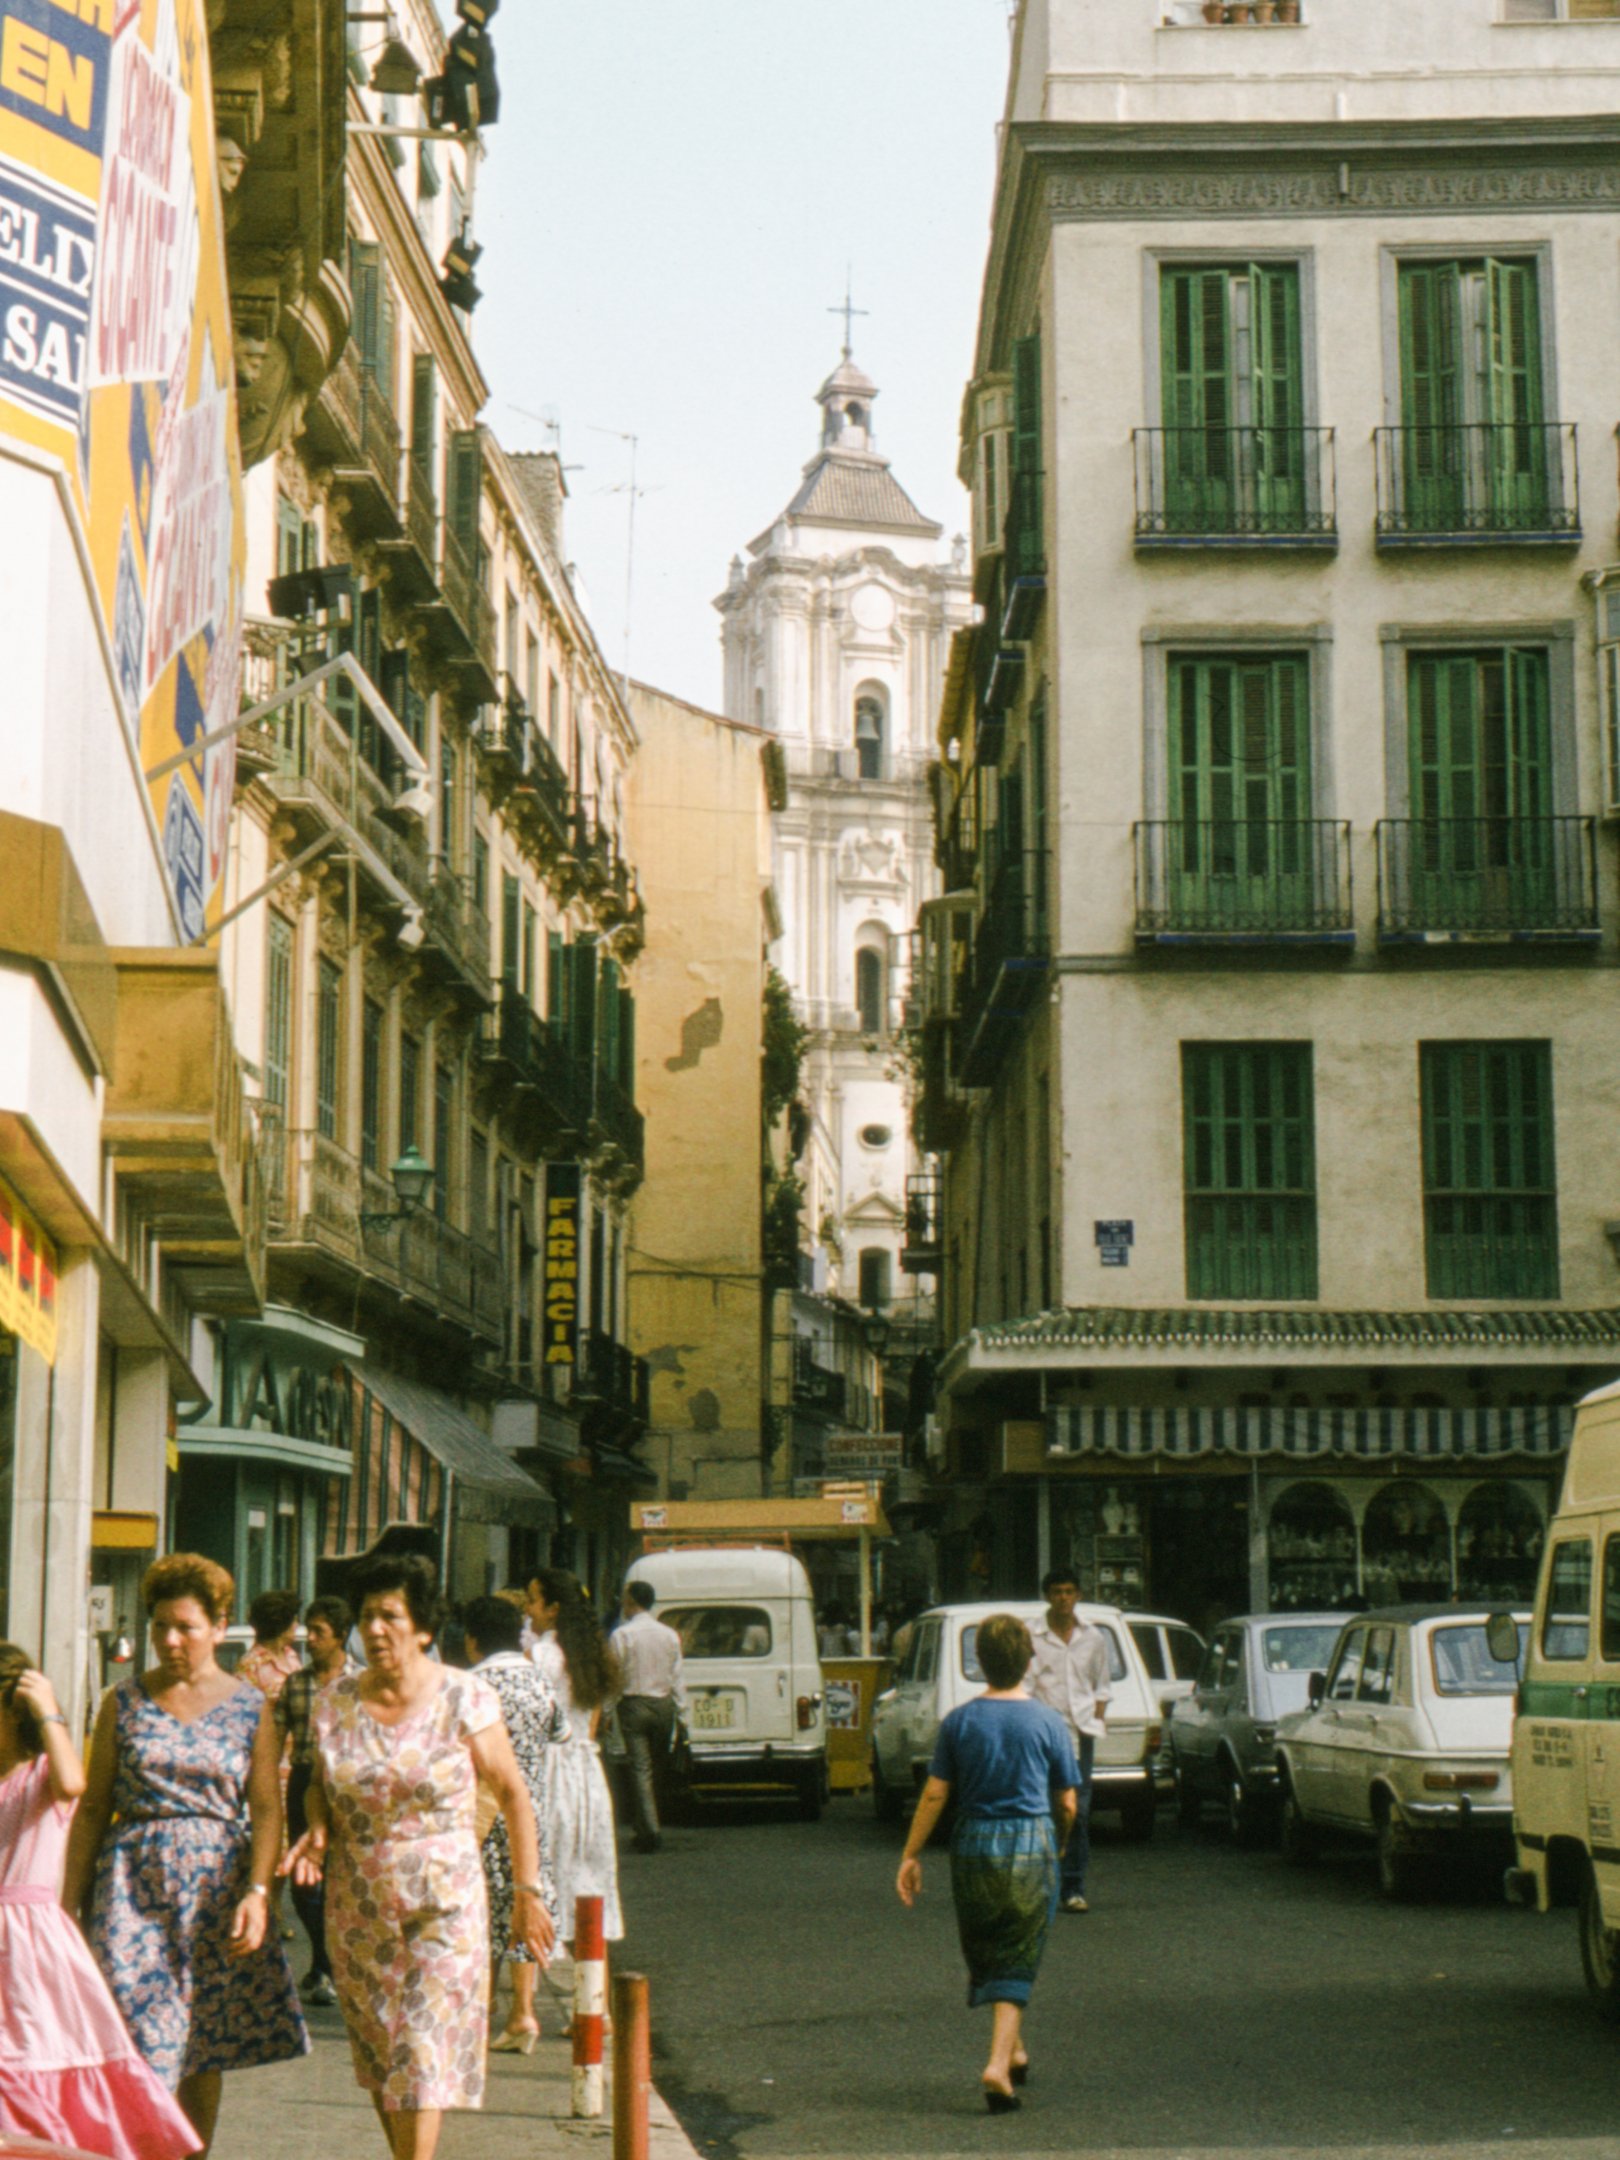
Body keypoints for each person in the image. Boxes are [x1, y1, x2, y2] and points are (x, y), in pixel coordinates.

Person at [282, 1551, 553, 2160]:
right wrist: (318, 1826)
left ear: (424, 1628)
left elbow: (513, 1794)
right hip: (358, 1906)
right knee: (385, 2059)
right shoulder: (335, 1701)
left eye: (391, 1616)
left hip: (443, 1905)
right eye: (366, 1617)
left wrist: (527, 1893)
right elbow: (317, 1785)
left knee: (421, 2051)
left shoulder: (465, 1696)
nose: (375, 1629)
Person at [63, 1554, 308, 2155]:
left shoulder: (250, 1706)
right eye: (160, 1627)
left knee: (202, 2045)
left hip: (215, 1894)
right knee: (138, 2037)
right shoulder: (122, 1700)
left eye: (186, 1628)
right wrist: (66, 1904)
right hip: (131, 1890)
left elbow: (267, 1809)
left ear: (220, 1628)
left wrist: (259, 1893)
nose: (170, 1641)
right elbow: (93, 1808)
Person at [0, 1643, 200, 2160]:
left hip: (30, 1947)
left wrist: (47, 1709)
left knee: (35, 2051)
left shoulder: (43, 1775)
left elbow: (74, 1782)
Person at [895, 1612, 1078, 2115]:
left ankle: (1015, 2051)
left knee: (991, 1943)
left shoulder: (959, 1722)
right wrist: (1060, 1844)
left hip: (973, 1842)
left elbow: (935, 1794)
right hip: (1030, 1840)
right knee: (1019, 1949)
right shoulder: (1048, 1721)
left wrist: (911, 1853)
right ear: (1029, 1660)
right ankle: (998, 2066)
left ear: (979, 1662)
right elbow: (1067, 1802)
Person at [462, 1595, 566, 2055]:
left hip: (481, 1813)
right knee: (526, 1906)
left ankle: (479, 2009)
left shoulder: (472, 1686)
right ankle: (523, 2012)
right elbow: (560, 1733)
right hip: (531, 1815)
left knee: (482, 1910)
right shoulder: (539, 1680)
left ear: (472, 1641)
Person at [524, 1569, 623, 1966]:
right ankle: (593, 1981)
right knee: (589, 1872)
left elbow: (533, 1721)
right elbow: (592, 1724)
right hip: (587, 1772)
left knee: (547, 1865)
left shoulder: (539, 1656)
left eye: (533, 1600)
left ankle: (546, 1957)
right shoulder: (592, 1657)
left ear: (553, 1609)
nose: (527, 1610)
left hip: (550, 1768)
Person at [274, 1596, 358, 2007]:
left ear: (341, 1636)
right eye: (309, 1632)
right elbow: (275, 1739)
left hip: (348, 1786)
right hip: (304, 1781)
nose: (311, 1640)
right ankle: (325, 1961)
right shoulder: (296, 1683)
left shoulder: (362, 1682)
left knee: (344, 1878)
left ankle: (328, 1966)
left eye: (320, 1633)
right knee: (304, 1881)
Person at [1026, 1568, 1112, 1913]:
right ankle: (1040, 1885)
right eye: (1057, 1592)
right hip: (1042, 1733)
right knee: (1041, 1808)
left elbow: (1102, 1685)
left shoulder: (1093, 1637)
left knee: (1077, 1810)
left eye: (1069, 1591)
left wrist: (1096, 1717)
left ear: (1078, 1595)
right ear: (1047, 1596)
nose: (1063, 1598)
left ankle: (1073, 1887)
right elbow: (1024, 1686)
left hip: (1080, 1734)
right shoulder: (1031, 1634)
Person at [613, 1579, 686, 1854]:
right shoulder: (669, 1635)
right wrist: (683, 1713)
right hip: (664, 1705)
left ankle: (650, 1829)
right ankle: (646, 1824)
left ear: (631, 1601)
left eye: (624, 1598)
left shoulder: (622, 1635)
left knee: (640, 1769)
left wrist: (605, 1711)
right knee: (656, 1766)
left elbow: (615, 1676)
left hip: (634, 1705)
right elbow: (677, 1676)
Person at [237, 1590, 303, 1702]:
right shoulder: (250, 1665)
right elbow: (244, 1707)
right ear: (281, 1627)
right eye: (294, 1621)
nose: (296, 1625)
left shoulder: (290, 1655)